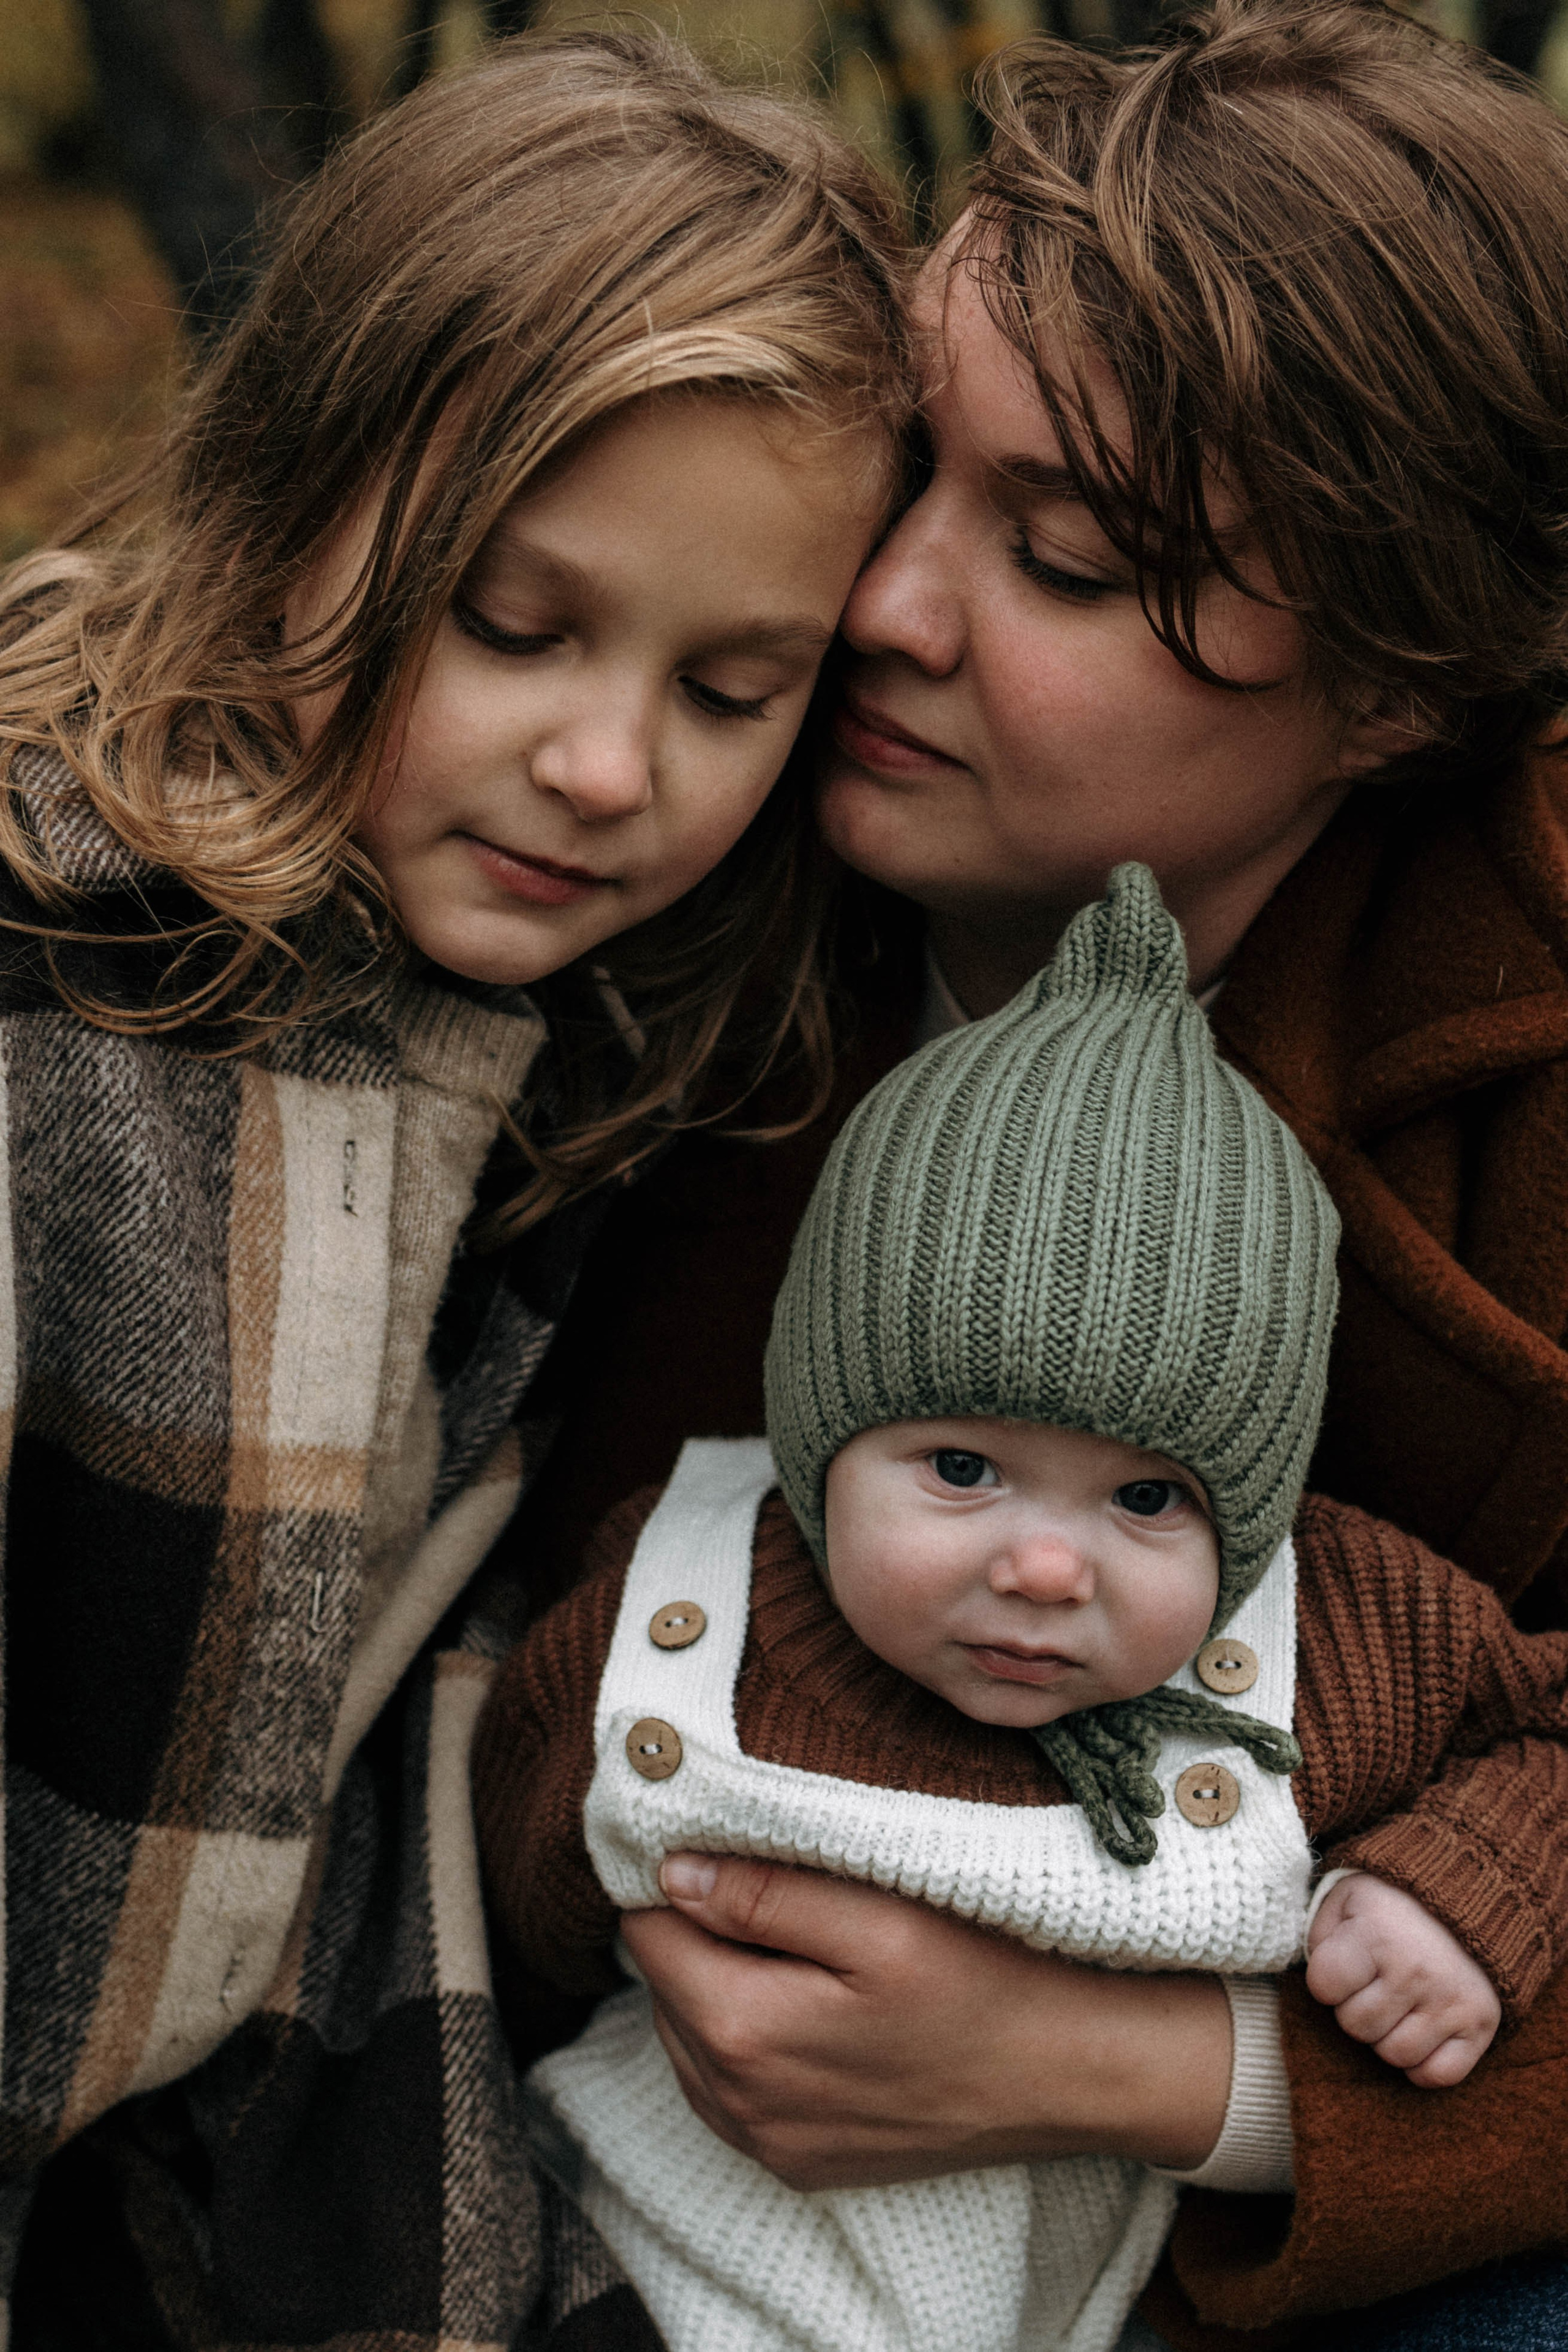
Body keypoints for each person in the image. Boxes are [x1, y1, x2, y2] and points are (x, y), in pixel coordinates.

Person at [487, 5, 1568, 2345]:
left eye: (1067, 559)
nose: (886, 608)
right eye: (917, 473)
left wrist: (1169, 2074)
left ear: (1393, 689)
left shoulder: (1527, 1028)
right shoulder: (645, 829)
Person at [0, 29, 914, 2350]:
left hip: (271, 2203)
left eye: (736, 689)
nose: (609, 768)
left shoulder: (596, 1061)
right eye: (514, 625)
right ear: (305, 477)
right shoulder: (56, 968)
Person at [477, 864, 1568, 2352]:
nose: (1046, 1570)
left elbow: (1543, 1727)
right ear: (814, 1445)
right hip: (649, 2266)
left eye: (1145, 1502)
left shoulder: (1346, 1639)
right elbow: (513, 1876)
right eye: (961, 1466)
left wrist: (1456, 1888)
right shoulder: (681, 1597)